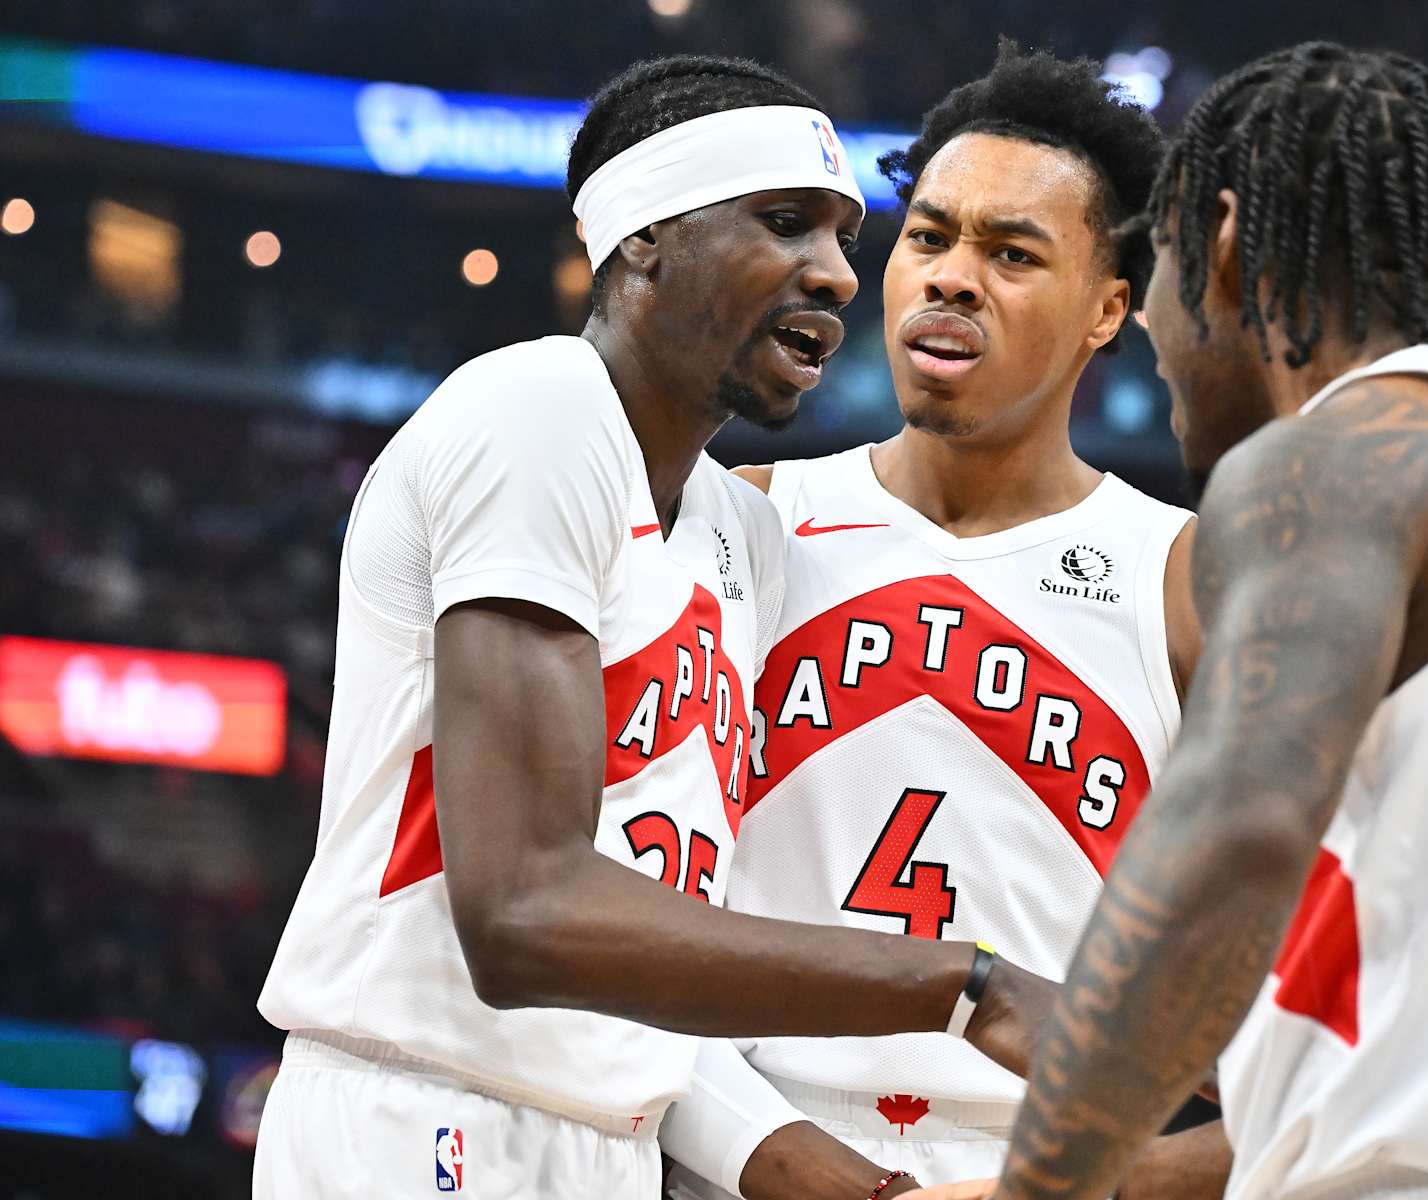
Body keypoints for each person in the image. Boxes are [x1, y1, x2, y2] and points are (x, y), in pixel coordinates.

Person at [922, 40, 1428, 1200]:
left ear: (1231, 246)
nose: (1152, 327)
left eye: (1156, 274)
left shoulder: (1336, 462)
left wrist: (1037, 1189)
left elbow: (1231, 843)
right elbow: (1412, 1051)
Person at [252, 55, 1055, 1200]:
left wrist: (876, 1194)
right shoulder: (535, 407)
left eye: (842, 238)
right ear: (646, 236)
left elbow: (656, 988)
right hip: (425, 1113)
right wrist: (969, 986)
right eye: (786, 224)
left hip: (613, 1139)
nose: (833, 272)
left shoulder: (744, 533)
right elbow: (525, 911)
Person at [661, 44, 1230, 1200]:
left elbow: (1331, 1048)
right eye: (928, 236)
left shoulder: (1187, 581)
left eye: (1012, 253)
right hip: (730, 1152)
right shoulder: (741, 524)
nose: (951, 278)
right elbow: (618, 921)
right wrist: (799, 1172)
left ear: (1110, 308)